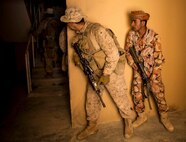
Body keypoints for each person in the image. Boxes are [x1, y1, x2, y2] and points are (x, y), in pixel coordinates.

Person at [60, 7, 135, 140]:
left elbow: (113, 54)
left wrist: (106, 74)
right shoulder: (78, 37)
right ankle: (92, 126)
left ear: (73, 23)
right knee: (92, 99)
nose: (68, 25)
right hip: (94, 73)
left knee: (120, 98)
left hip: (110, 71)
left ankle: (128, 122)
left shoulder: (97, 31)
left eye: (68, 22)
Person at [124, 10, 174, 132]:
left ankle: (164, 118)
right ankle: (141, 116)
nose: (132, 24)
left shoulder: (154, 36)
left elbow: (159, 58)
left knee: (159, 95)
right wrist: (132, 64)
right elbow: (127, 50)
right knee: (137, 94)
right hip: (138, 70)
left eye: (134, 21)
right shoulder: (131, 34)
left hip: (153, 72)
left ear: (143, 22)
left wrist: (153, 76)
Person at [36, 7, 61, 77]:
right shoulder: (56, 22)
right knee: (54, 53)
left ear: (46, 14)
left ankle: (49, 72)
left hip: (48, 42)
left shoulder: (44, 22)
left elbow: (38, 32)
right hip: (56, 42)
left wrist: (32, 33)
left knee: (47, 57)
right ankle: (55, 62)